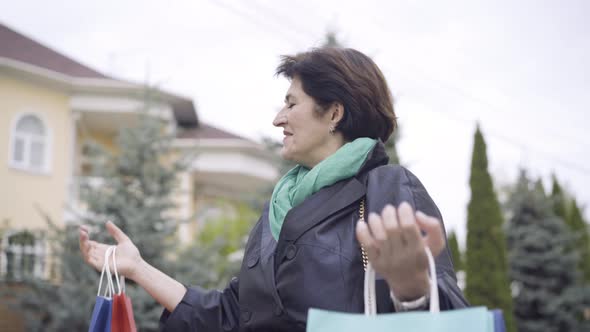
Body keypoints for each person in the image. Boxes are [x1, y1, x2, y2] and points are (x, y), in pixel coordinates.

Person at [79, 47, 468, 331]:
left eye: (291, 103)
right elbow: (231, 314)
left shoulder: (388, 187)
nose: (277, 118)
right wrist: (137, 268)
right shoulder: (278, 209)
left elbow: (447, 312)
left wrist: (413, 289)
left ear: (334, 113)